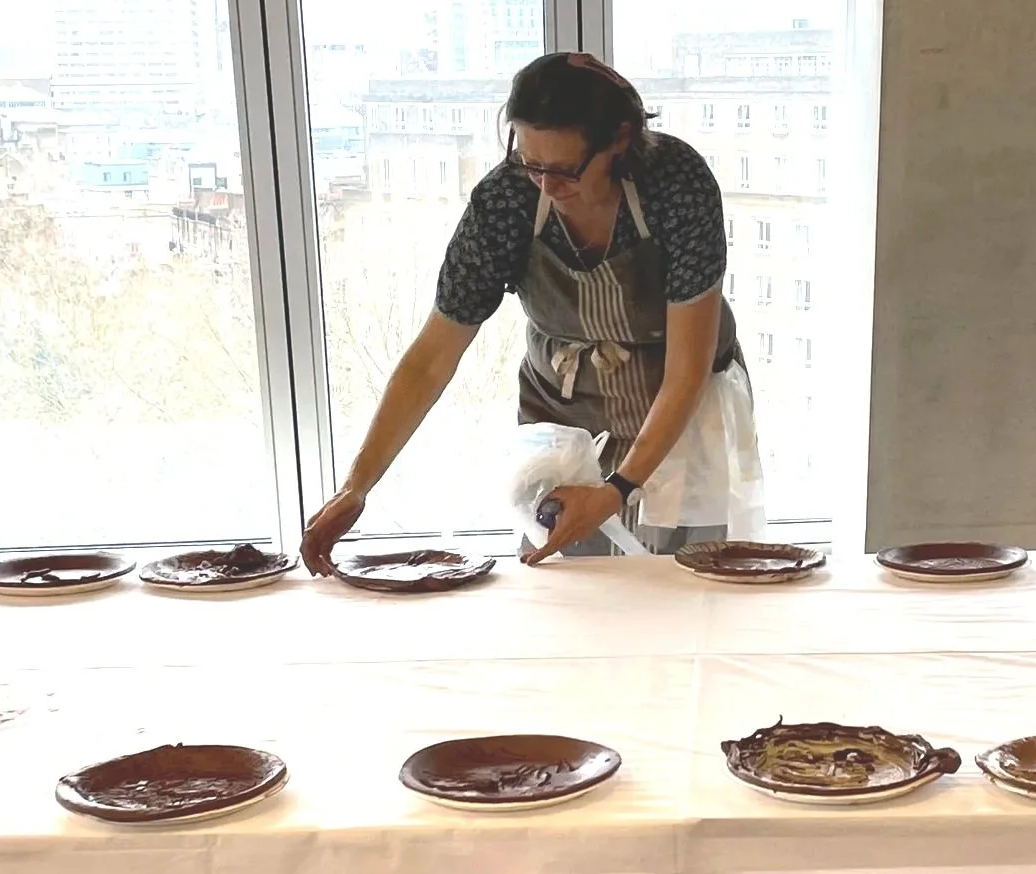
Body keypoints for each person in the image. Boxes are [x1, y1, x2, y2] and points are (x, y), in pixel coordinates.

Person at [301, 51, 756, 571]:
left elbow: (686, 369)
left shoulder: (677, 185)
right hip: (565, 424)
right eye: (530, 161)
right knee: (566, 592)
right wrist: (357, 486)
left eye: (564, 170)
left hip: (684, 415)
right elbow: (432, 358)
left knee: (682, 593)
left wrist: (619, 488)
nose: (545, 184)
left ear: (620, 141)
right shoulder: (506, 200)